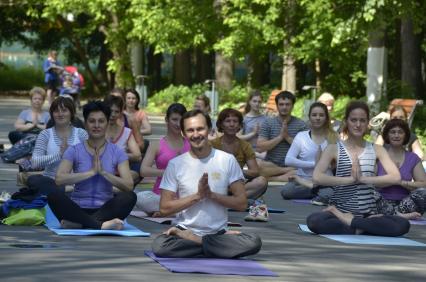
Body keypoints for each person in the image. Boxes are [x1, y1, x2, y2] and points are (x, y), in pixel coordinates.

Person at [151, 110, 262, 258]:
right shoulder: (175, 164)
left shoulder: (227, 160)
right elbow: (164, 208)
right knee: (160, 246)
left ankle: (197, 242)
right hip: (184, 231)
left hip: (217, 233)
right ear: (184, 134)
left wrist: (211, 195)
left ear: (210, 129)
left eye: (200, 129)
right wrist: (197, 196)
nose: (196, 135)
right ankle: (215, 248)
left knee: (253, 241)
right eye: (190, 130)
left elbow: (241, 203)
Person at [307, 101, 410, 236]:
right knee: (314, 221)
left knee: (403, 225)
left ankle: (354, 225)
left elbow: (395, 176)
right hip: (340, 213)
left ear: (368, 123)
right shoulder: (334, 148)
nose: (358, 124)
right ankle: (362, 227)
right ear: (346, 121)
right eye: (353, 120)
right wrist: (349, 180)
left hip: (368, 215)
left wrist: (363, 179)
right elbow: (317, 176)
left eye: (362, 120)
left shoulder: (376, 149)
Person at [47, 101, 136, 230]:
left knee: (130, 197)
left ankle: (81, 223)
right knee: (53, 195)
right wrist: (90, 173)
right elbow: (59, 179)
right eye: (92, 121)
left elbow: (128, 185)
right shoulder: (74, 150)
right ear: (86, 124)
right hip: (77, 207)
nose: (96, 125)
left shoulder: (117, 152)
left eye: (101, 121)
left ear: (107, 123)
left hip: (106, 209)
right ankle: (100, 225)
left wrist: (104, 173)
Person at [210, 108, 268, 221]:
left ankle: (228, 201)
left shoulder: (245, 145)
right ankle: (237, 202)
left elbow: (255, 171)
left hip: (237, 186)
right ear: (221, 125)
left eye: (235, 121)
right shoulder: (213, 144)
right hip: (217, 185)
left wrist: (237, 172)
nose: (231, 124)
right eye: (228, 121)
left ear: (239, 125)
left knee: (261, 181)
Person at [136, 103, 190, 216]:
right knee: (138, 197)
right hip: (160, 196)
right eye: (174, 119)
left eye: (181, 120)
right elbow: (143, 170)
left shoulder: (191, 143)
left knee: (200, 199)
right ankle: (171, 210)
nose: (177, 124)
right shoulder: (157, 144)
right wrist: (166, 172)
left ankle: (167, 211)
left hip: (186, 196)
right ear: (167, 120)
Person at [29, 97, 88, 195]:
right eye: (56, 111)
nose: (60, 114)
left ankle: (69, 189)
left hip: (75, 181)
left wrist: (71, 155)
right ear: (52, 114)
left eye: (64, 110)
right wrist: (59, 155)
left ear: (71, 113)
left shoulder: (81, 134)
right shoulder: (45, 134)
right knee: (33, 180)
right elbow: (35, 162)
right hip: (51, 182)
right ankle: (66, 189)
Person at [281, 102, 337, 204]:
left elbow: (340, 162)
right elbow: (288, 160)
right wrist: (314, 164)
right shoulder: (301, 136)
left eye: (321, 115)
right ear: (310, 117)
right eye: (314, 115)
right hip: (303, 181)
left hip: (325, 181)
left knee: (329, 192)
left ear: (326, 118)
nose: (318, 118)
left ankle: (319, 192)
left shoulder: (334, 137)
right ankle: (318, 193)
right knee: (286, 191)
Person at [376, 119, 426, 219]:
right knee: (368, 192)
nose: (396, 135)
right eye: (393, 132)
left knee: (424, 193)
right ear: (387, 135)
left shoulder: (413, 158)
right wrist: (392, 179)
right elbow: (371, 182)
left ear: (406, 135)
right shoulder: (378, 156)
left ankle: (395, 214)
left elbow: (423, 184)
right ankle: (399, 216)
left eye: (400, 132)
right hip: (381, 203)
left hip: (405, 204)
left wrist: (401, 182)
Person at [256, 91, 308, 181]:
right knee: (257, 165)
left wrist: (287, 137)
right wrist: (280, 137)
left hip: (293, 165)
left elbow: (306, 150)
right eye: (281, 104)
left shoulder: (301, 124)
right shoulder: (268, 123)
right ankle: (285, 173)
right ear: (277, 105)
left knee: (304, 170)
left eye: (287, 104)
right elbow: (260, 148)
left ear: (292, 106)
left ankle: (271, 179)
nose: (284, 107)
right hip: (272, 164)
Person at [104, 95, 142, 183]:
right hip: (101, 172)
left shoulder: (126, 132)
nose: (112, 115)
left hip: (121, 173)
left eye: (116, 111)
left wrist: (116, 155)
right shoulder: (96, 130)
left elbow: (138, 156)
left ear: (121, 113)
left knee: (134, 174)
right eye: (110, 111)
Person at [239, 90, 267, 155]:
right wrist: (253, 133)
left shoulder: (266, 119)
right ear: (249, 102)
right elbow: (238, 137)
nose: (257, 104)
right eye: (254, 101)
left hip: (263, 151)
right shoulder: (244, 119)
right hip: (249, 151)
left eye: (259, 102)